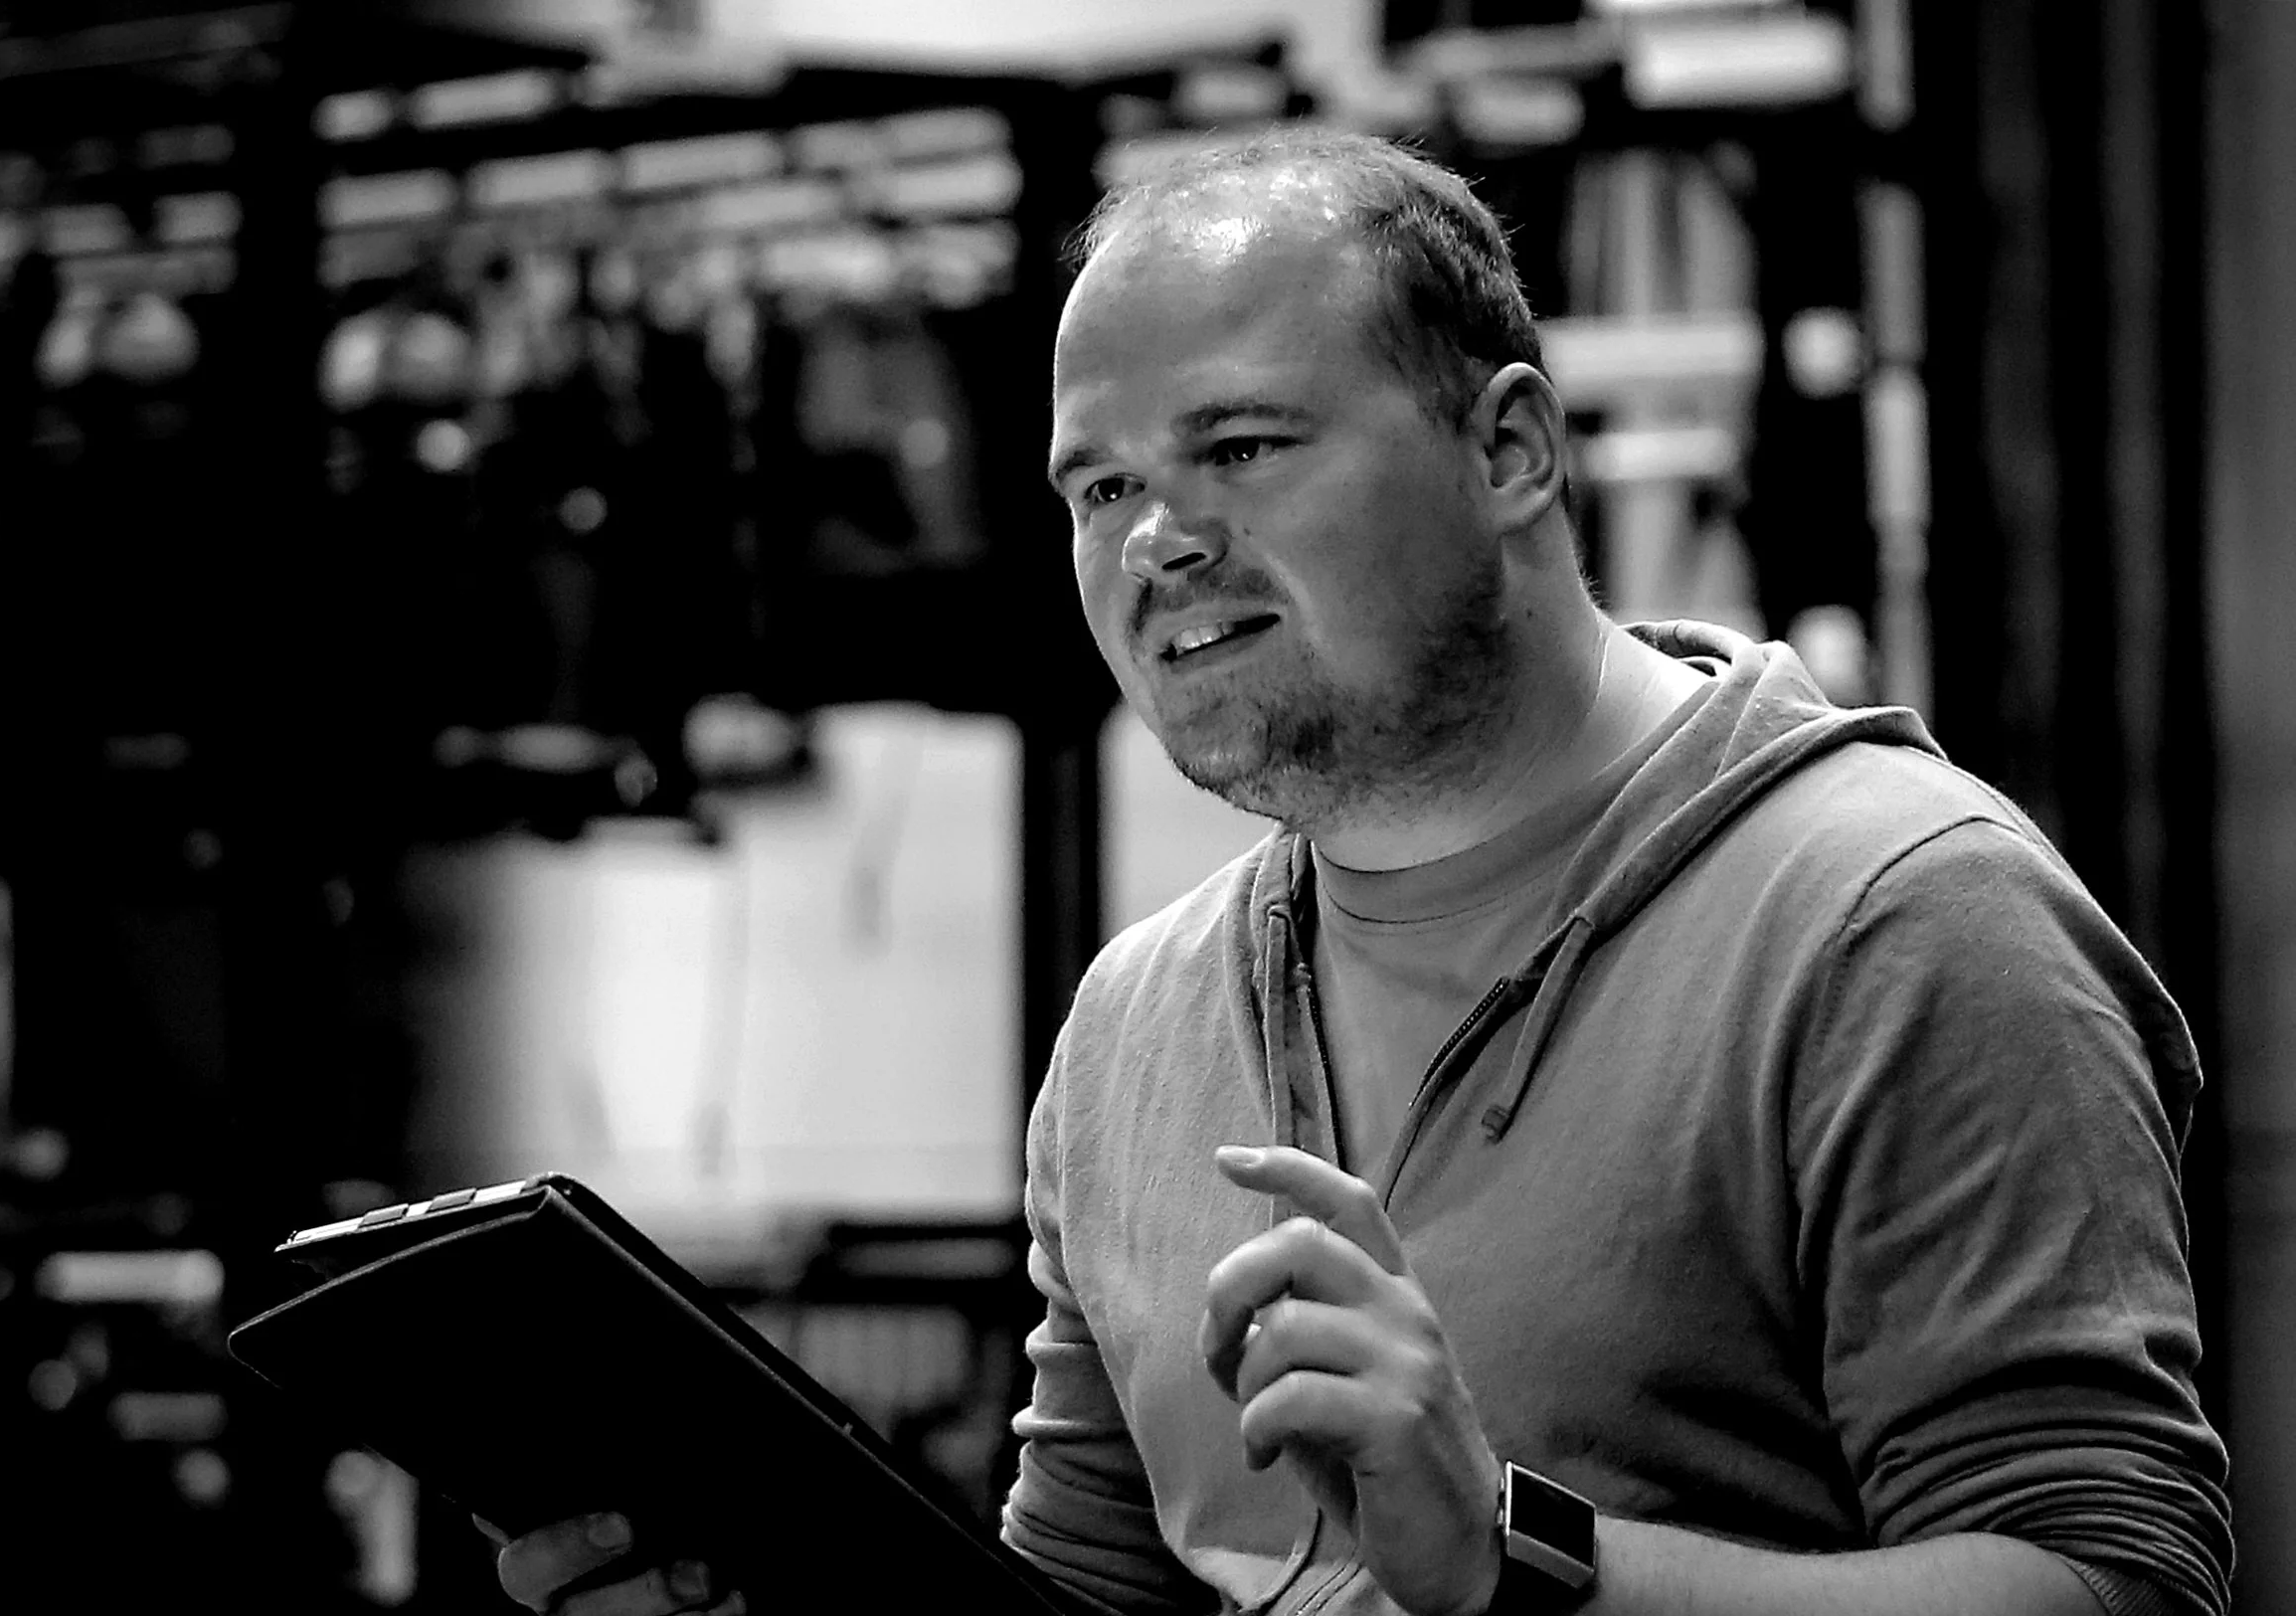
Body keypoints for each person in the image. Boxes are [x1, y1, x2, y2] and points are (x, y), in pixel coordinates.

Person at [490, 128, 2231, 1616]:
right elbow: (1091, 1594)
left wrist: (1518, 1560)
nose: (1156, 542)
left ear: (1509, 450)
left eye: (1240, 447)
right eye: (1100, 487)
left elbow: (2108, 1582)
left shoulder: (1893, 916)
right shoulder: (1139, 1023)